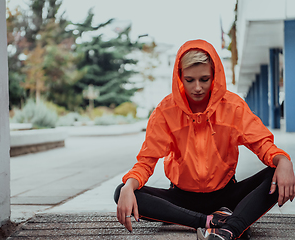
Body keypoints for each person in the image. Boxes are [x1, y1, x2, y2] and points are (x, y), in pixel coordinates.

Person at [114, 39, 295, 240]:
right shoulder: (165, 112)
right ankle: (210, 221)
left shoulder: (233, 106)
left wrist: (283, 160)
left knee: (277, 173)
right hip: (180, 198)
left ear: (214, 76)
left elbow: (263, 145)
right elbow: (146, 162)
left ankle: (228, 230)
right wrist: (130, 185)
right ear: (180, 77)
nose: (198, 87)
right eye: (190, 80)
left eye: (205, 79)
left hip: (227, 195)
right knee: (122, 191)